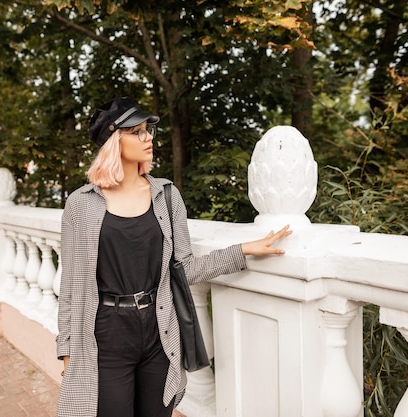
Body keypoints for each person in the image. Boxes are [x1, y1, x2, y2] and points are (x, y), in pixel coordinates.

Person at [56, 97, 292, 417]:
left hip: (158, 329)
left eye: (148, 130)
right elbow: (70, 283)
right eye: (136, 132)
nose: (149, 138)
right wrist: (66, 347)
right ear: (113, 141)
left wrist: (243, 251)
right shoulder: (80, 204)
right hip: (106, 333)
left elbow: (185, 267)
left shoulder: (166, 196)